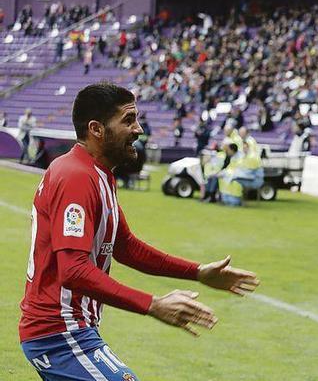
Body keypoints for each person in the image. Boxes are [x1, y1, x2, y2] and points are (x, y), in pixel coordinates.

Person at [19, 83, 260, 380]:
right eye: (128, 120)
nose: (139, 129)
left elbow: (126, 247)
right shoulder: (76, 177)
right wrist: (153, 305)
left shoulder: (97, 175)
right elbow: (73, 270)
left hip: (70, 332)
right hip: (60, 335)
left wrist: (198, 272)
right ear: (96, 129)